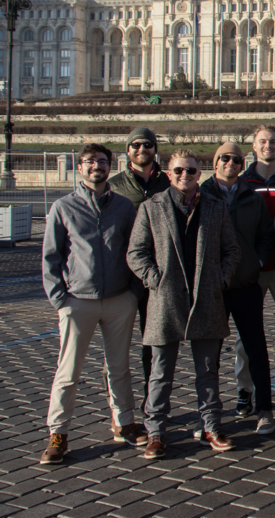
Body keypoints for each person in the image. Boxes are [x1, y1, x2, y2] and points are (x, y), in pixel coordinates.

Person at [127, 149, 241, 459]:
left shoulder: (215, 208)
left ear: (199, 174)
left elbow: (232, 249)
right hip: (166, 299)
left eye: (191, 171)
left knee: (208, 370)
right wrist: (155, 279)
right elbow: (136, 253)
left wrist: (221, 279)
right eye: (178, 170)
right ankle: (156, 433)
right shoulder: (152, 207)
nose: (184, 176)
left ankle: (211, 426)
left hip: (206, 298)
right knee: (161, 373)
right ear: (168, 173)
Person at [40, 144, 142, 465]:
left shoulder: (124, 207)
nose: (96, 166)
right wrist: (61, 300)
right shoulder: (63, 207)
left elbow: (136, 249)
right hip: (77, 302)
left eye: (101, 161)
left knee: (119, 367)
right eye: (89, 162)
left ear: (110, 166)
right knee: (68, 371)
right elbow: (51, 257)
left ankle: (124, 422)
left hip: (118, 300)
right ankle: (59, 433)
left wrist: (134, 293)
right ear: (79, 168)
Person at [198, 142, 275, 436]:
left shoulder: (251, 197)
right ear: (215, 162)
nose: (230, 163)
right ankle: (208, 416)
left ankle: (265, 410)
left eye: (236, 159)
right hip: (213, 288)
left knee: (256, 349)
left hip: (245, 284)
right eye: (224, 158)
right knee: (210, 356)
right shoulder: (201, 194)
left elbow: (266, 236)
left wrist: (255, 262)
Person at [107, 126, 170, 424]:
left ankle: (151, 405)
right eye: (135, 144)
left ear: (155, 149)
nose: (141, 149)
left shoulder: (167, 183)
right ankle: (120, 412)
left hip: (157, 276)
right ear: (127, 150)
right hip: (124, 276)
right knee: (116, 348)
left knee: (153, 344)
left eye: (147, 144)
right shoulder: (114, 185)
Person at [236, 124, 275, 417]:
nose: (268, 145)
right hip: (252, 269)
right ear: (254, 146)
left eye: (273, 141)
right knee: (247, 335)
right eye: (262, 141)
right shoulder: (242, 179)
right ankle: (245, 389)